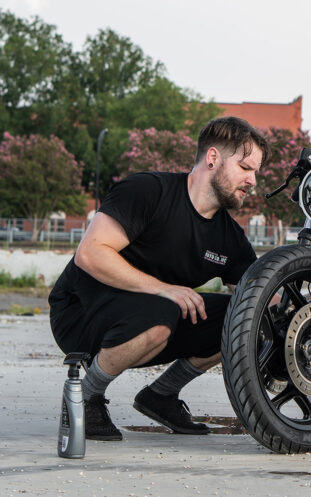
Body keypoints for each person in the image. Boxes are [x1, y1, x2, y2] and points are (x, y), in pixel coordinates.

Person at [48, 116, 267, 441]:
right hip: (79, 313)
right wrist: (168, 291)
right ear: (212, 158)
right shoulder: (149, 190)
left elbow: (262, 297)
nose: (252, 181)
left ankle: (161, 395)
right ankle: (86, 397)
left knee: (243, 320)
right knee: (164, 311)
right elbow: (91, 253)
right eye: (246, 168)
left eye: (255, 173)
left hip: (152, 319)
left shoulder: (230, 237)